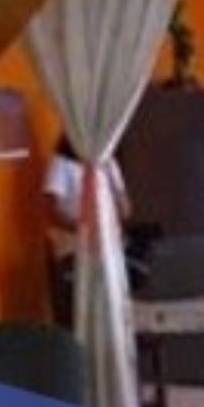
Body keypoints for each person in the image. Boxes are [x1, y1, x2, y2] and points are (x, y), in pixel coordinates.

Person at [43, 135, 131, 329]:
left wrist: (115, 192)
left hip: (107, 247)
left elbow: (125, 208)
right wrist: (84, 227)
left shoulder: (108, 164)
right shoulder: (62, 164)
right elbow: (51, 210)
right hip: (74, 246)